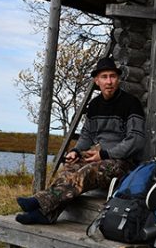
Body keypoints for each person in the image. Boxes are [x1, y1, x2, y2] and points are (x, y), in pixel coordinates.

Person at [15, 57, 146, 224]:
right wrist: (76, 151)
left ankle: (39, 201)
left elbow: (136, 140)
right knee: (68, 169)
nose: (109, 81)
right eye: (104, 77)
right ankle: (46, 215)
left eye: (112, 76)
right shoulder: (94, 105)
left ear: (118, 79)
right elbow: (86, 136)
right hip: (100, 158)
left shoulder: (131, 103)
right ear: (96, 81)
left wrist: (104, 154)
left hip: (124, 164)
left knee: (87, 172)